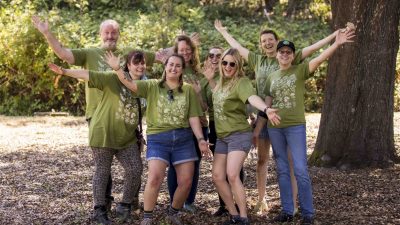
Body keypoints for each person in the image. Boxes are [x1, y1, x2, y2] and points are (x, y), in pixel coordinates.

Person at [215, 19, 345, 214]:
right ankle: (266, 201)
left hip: (288, 120)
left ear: (278, 43)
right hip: (264, 116)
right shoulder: (259, 62)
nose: (267, 43)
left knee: (293, 165)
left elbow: (315, 52)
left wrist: (334, 37)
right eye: (263, 40)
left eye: (270, 39)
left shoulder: (291, 62)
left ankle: (296, 207)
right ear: (261, 45)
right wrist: (223, 32)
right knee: (266, 161)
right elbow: (237, 48)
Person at [31, 16, 156, 212]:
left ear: (119, 34)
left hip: (128, 118)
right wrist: (47, 33)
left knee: (133, 164)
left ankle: (129, 201)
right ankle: (102, 204)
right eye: (106, 32)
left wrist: (181, 48)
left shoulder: (132, 55)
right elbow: (64, 55)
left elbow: (163, 57)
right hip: (99, 116)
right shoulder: (90, 53)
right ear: (100, 34)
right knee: (103, 164)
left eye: (113, 32)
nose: (110, 36)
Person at [104, 53, 213, 225]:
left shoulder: (188, 89)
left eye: (178, 66)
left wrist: (200, 139)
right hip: (158, 138)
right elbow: (129, 83)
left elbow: (193, 117)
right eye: (170, 64)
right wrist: (117, 68)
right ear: (165, 66)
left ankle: (173, 212)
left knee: (186, 181)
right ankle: (147, 217)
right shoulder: (152, 85)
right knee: (154, 177)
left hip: (183, 139)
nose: (173, 68)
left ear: (182, 70)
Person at [47, 50, 149, 224]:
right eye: (136, 62)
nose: (140, 66)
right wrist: (64, 71)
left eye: (143, 63)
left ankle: (124, 206)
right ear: (128, 65)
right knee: (103, 170)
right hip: (103, 133)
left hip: (127, 138)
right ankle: (99, 209)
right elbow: (88, 74)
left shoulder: (148, 85)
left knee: (135, 169)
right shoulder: (114, 77)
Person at [265, 30, 355, 225]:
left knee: (300, 169)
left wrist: (336, 44)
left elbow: (320, 58)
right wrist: (264, 116)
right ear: (277, 54)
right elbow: (268, 100)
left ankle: (308, 213)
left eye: (289, 52)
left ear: (293, 55)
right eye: (282, 52)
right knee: (281, 170)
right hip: (275, 128)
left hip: (295, 126)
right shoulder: (271, 76)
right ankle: (288, 210)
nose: (285, 55)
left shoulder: (300, 70)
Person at [211, 48, 273, 225]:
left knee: (232, 174)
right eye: (225, 62)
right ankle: (233, 214)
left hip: (239, 134)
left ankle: (244, 217)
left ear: (238, 66)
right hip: (222, 137)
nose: (228, 66)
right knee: (217, 176)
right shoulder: (220, 84)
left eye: (232, 63)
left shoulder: (242, 82)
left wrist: (266, 109)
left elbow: (252, 98)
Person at [202, 46, 246, 217]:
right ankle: (225, 205)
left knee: (233, 170)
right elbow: (207, 103)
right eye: (211, 55)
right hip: (215, 124)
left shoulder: (231, 74)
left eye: (218, 55)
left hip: (233, 126)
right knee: (219, 171)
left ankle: (239, 207)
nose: (214, 58)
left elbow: (233, 98)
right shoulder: (207, 76)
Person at [167, 34, 208, 213]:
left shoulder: (199, 74)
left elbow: (205, 105)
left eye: (188, 50)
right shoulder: (172, 69)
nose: (185, 53)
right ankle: (174, 202)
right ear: (176, 52)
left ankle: (189, 202)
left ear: (193, 53)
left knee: (194, 164)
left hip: (199, 124)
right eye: (181, 50)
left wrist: (198, 93)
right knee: (175, 165)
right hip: (178, 125)